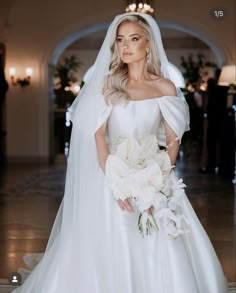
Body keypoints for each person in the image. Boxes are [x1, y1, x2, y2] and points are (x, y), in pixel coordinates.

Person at [14, 13, 228, 292]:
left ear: (148, 44)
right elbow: (98, 137)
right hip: (110, 178)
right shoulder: (108, 86)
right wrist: (116, 183)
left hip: (156, 178)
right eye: (120, 39)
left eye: (134, 39)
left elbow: (173, 141)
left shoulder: (164, 87)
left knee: (161, 243)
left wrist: (156, 181)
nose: (125, 46)